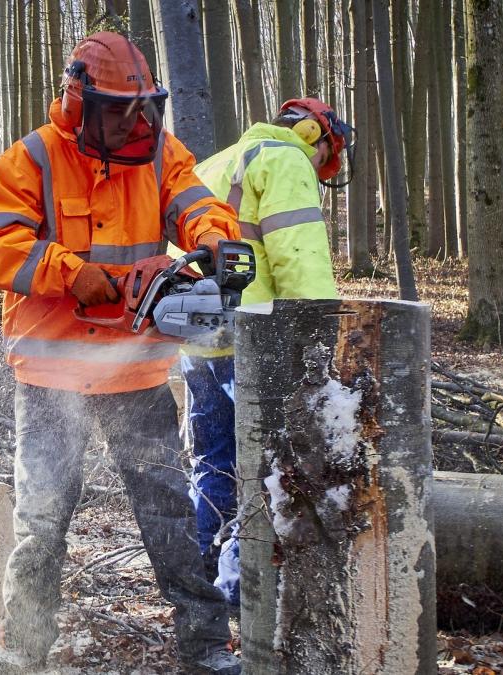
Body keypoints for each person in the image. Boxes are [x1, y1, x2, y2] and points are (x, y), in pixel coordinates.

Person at [0, 32, 242, 675]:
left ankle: (203, 647)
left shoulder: (158, 154)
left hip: (134, 369)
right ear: (80, 100)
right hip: (51, 374)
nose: (131, 120)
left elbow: (199, 203)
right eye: (118, 108)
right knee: (42, 519)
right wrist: (70, 272)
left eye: (140, 107)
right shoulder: (33, 158)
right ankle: (26, 651)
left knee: (169, 513)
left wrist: (211, 245)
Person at [180, 98, 354, 605]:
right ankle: (241, 590)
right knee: (267, 463)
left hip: (196, 337)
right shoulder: (285, 159)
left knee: (212, 459)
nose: (319, 164)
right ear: (311, 136)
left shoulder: (215, 162)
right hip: (255, 338)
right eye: (323, 153)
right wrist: (319, 339)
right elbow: (299, 258)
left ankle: (200, 576)